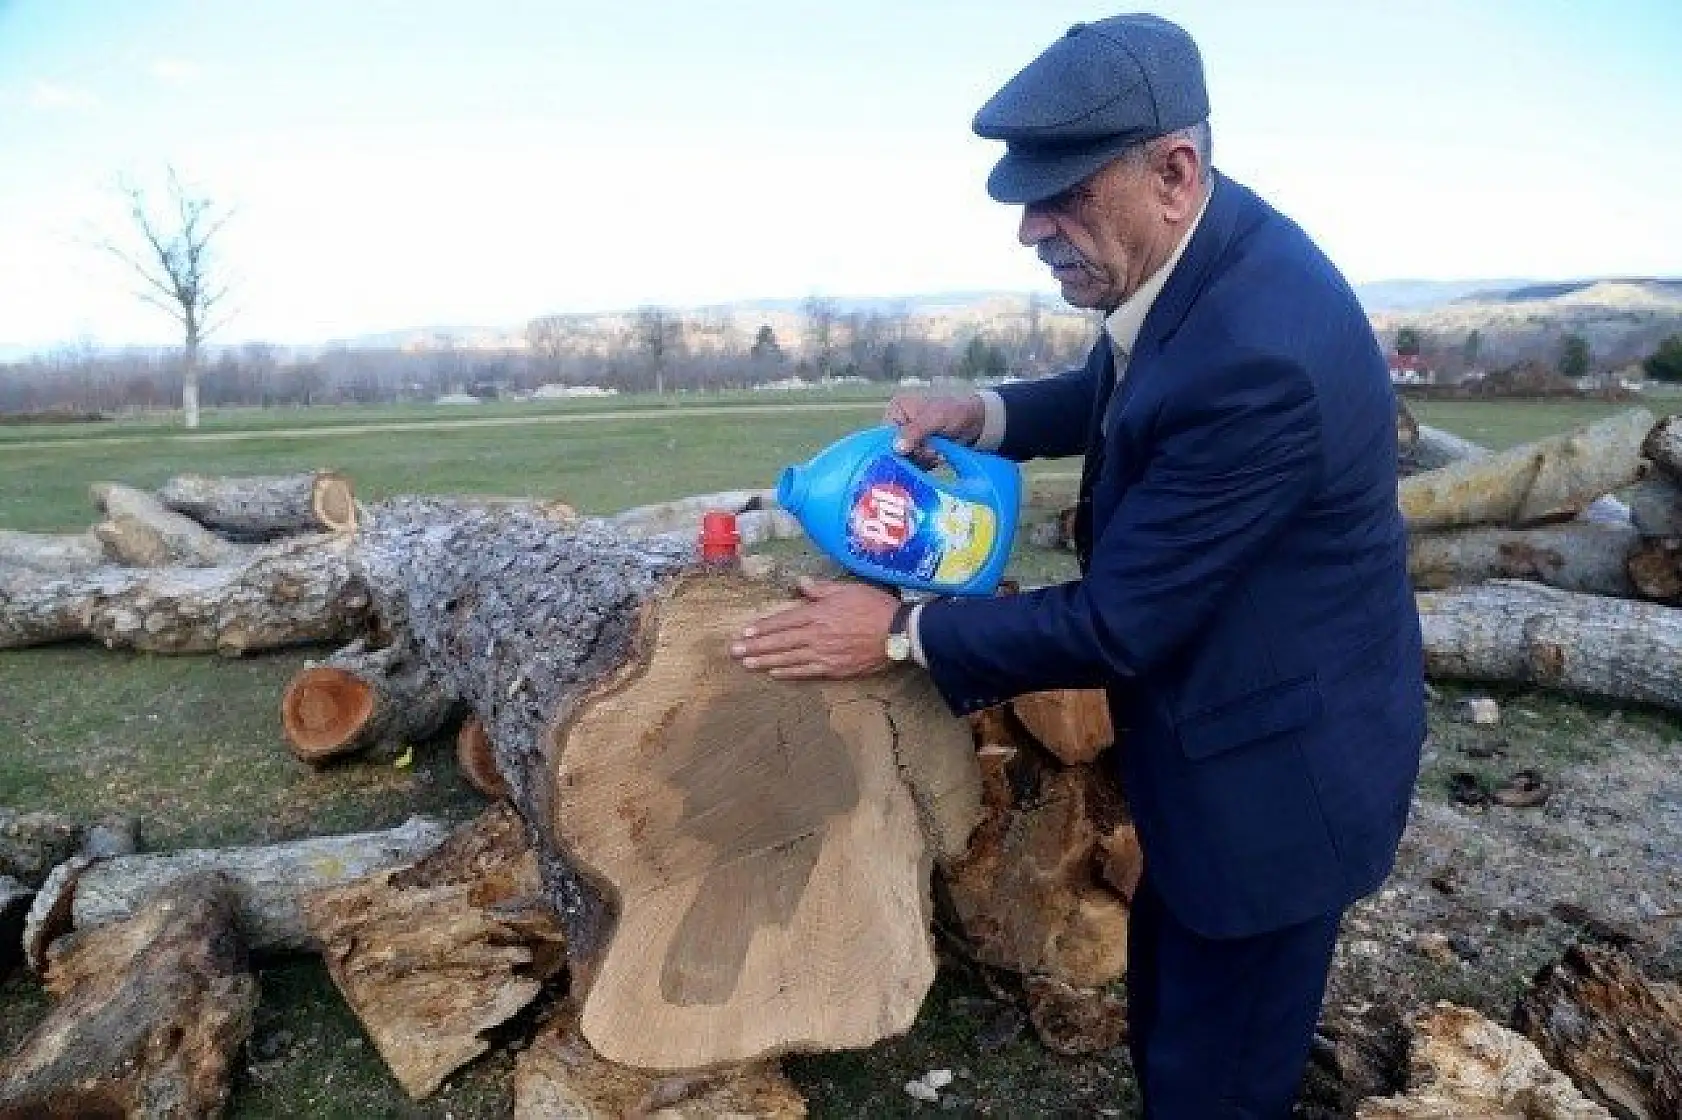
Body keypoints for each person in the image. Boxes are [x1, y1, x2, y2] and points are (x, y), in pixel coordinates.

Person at [731, 13, 1424, 1117]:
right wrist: (987, 410)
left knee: (1215, 1080)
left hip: (1275, 788)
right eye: (1020, 197)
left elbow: (1120, 622)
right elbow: (1126, 387)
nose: (1028, 231)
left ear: (1171, 170)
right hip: (1237, 745)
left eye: (1060, 197)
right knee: (1172, 1029)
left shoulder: (1257, 354)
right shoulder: (1204, 257)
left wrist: (897, 629)